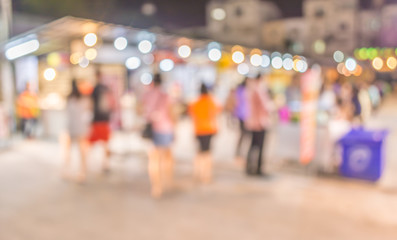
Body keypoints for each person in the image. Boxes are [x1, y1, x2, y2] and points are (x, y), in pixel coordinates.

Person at [142, 74, 175, 198]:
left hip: (151, 128)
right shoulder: (165, 96)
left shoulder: (146, 95)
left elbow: (140, 110)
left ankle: (156, 187)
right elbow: (171, 112)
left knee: (153, 158)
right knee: (164, 157)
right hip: (164, 127)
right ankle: (165, 181)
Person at [189, 83, 221, 184]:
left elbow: (192, 115)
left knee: (199, 151)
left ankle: (198, 171)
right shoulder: (211, 102)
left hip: (198, 129)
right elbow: (216, 112)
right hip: (208, 129)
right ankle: (206, 174)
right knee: (207, 152)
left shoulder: (195, 103)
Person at [62, 80, 91, 183]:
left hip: (72, 127)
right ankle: (82, 172)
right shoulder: (84, 99)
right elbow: (88, 112)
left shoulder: (69, 99)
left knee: (69, 150)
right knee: (82, 151)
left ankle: (67, 170)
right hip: (81, 127)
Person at [244, 74, 270, 176]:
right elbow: (266, 106)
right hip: (259, 123)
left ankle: (249, 167)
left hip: (252, 122)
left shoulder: (250, 90)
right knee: (259, 147)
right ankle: (257, 169)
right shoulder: (258, 90)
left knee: (252, 146)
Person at [89, 70, 114, 172]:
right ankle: (106, 163)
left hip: (97, 119)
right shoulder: (106, 89)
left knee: (91, 143)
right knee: (106, 143)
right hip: (106, 119)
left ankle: (87, 162)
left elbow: (90, 105)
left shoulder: (94, 89)